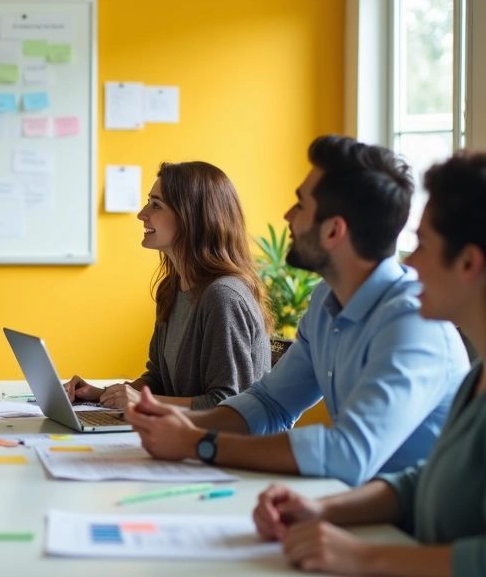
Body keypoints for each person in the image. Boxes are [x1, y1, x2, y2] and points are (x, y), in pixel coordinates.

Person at [123, 135, 469, 487]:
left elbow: (347, 454)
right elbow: (270, 403)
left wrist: (199, 443)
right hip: (358, 503)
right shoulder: (326, 300)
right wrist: (174, 424)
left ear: (333, 230)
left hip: (413, 518)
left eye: (300, 205)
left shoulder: (412, 322)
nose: (288, 216)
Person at [252, 152, 486, 576]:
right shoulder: (478, 377)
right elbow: (424, 481)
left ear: (468, 263)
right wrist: (323, 509)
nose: (410, 263)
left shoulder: (413, 324)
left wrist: (364, 557)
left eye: (424, 244)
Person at [64, 161, 272, 410]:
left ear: (191, 217)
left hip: (220, 436)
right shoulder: (171, 288)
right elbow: (158, 380)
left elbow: (228, 406)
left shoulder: (223, 297)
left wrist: (144, 401)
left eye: (156, 205)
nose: (142, 214)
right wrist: (101, 394)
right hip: (182, 431)